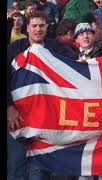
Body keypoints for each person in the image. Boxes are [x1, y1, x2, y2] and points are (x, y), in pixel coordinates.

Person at [7, 11, 77, 180]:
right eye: (34, 26)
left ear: (46, 28)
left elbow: (74, 70)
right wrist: (9, 107)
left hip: (46, 120)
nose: (38, 29)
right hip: (17, 117)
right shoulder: (13, 49)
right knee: (16, 167)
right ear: (27, 28)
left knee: (41, 170)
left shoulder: (56, 48)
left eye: (41, 26)